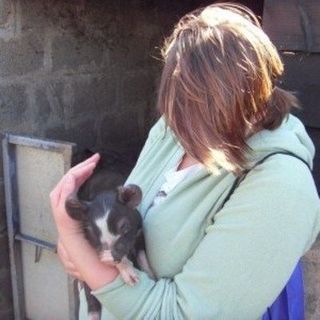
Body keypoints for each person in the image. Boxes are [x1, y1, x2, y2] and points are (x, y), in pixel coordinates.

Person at [50, 3, 320, 319]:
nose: (179, 129)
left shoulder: (281, 186)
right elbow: (121, 229)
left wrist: (75, 243)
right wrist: (78, 247)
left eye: (200, 114)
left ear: (253, 102)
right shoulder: (173, 128)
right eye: (177, 107)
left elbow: (179, 314)